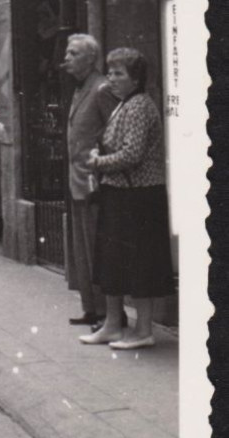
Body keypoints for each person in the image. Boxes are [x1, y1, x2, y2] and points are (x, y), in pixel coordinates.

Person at [80, 48, 175, 350]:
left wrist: (97, 163)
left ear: (136, 78)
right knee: (114, 261)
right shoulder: (124, 105)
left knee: (139, 263)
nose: (111, 78)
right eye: (109, 72)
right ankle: (112, 326)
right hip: (121, 193)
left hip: (138, 196)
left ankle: (143, 330)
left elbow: (132, 154)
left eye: (119, 73)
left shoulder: (138, 106)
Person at [62, 33, 119, 327]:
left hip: (94, 180)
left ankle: (109, 313)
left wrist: (101, 165)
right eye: (67, 53)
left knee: (97, 248)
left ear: (90, 58)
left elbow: (113, 131)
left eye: (73, 53)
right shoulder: (80, 88)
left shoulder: (101, 88)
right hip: (78, 180)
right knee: (82, 249)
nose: (66, 58)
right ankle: (92, 308)